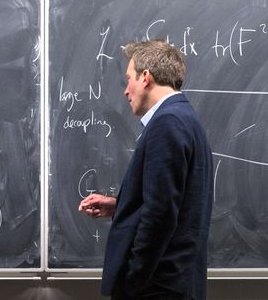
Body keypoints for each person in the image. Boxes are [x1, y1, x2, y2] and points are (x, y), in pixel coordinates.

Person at [78, 40, 214, 300]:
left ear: (145, 78)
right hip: (172, 282)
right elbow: (174, 200)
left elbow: (160, 214)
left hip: (157, 286)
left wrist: (134, 277)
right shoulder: (184, 118)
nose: (125, 90)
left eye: (128, 79)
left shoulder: (168, 124)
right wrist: (120, 206)